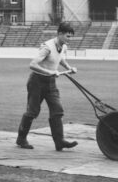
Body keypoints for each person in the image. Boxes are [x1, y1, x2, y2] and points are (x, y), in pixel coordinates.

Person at [16, 22, 78, 151]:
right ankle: (21, 139)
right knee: (32, 112)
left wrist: (69, 68)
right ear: (59, 34)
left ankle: (59, 142)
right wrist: (50, 72)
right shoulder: (47, 47)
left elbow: (59, 59)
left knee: (57, 110)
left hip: (50, 83)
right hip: (36, 82)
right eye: (68, 36)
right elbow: (32, 64)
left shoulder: (64, 46)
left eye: (71, 36)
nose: (69, 39)